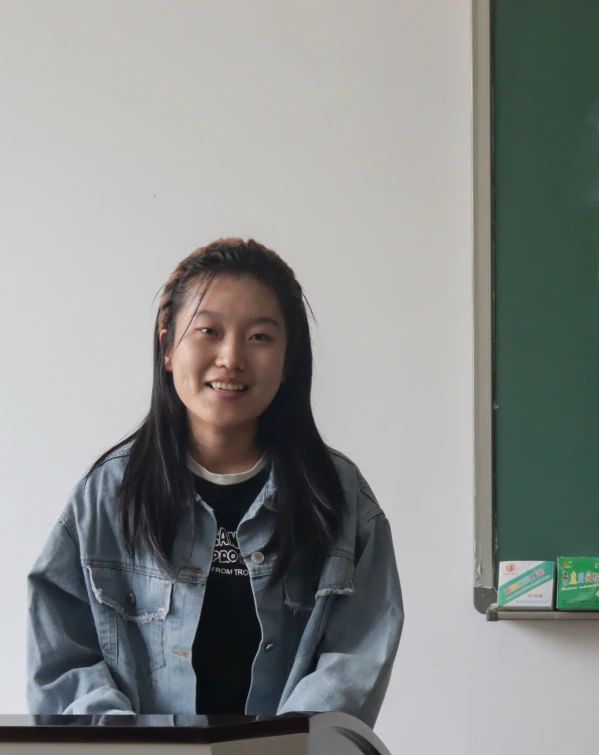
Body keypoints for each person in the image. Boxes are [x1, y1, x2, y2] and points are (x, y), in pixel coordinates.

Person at [26, 238, 403, 726]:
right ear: (167, 347)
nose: (231, 357)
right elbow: (64, 662)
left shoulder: (338, 497)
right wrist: (131, 753)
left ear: (288, 360)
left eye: (260, 337)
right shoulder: (108, 496)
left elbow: (356, 656)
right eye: (208, 331)